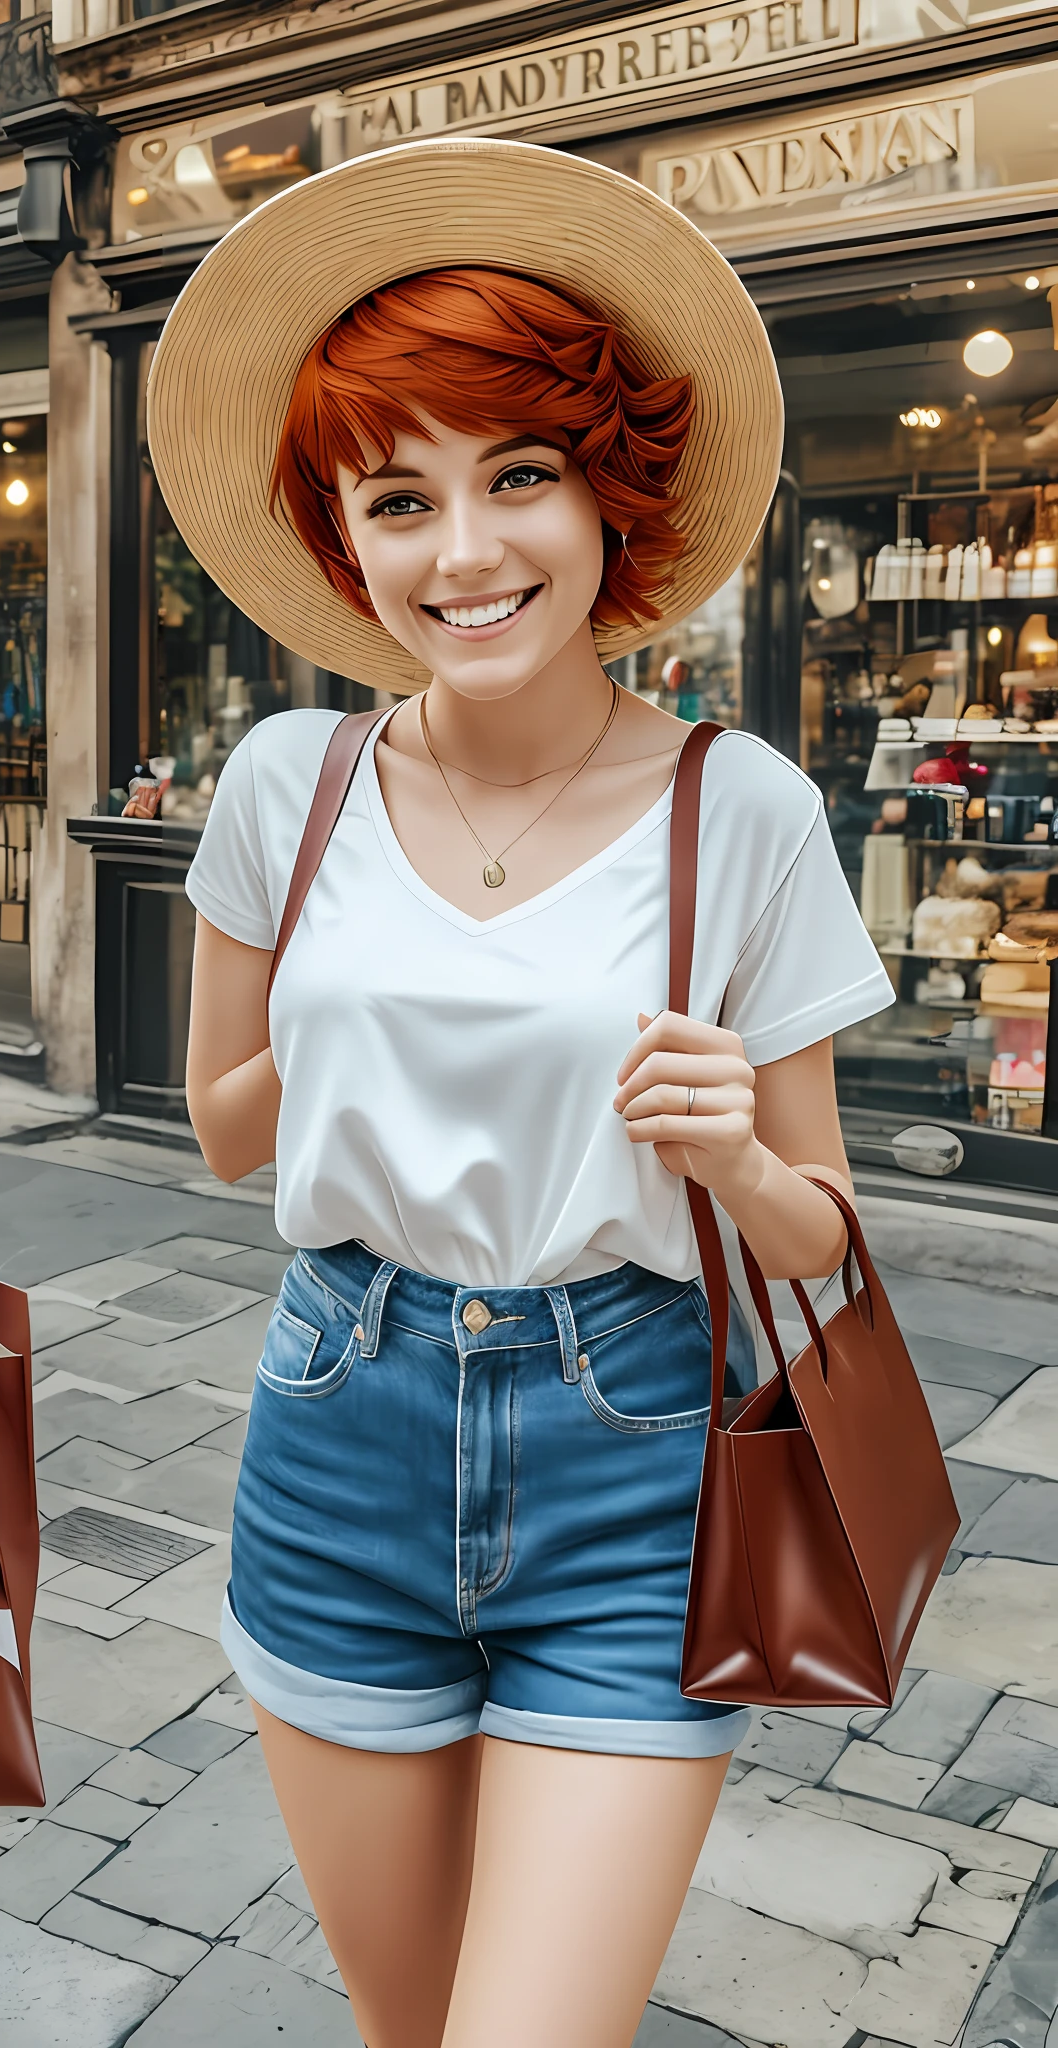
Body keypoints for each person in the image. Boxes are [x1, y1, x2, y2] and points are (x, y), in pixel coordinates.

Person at [157, 139, 895, 2048]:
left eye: (519, 477)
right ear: (347, 538)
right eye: (398, 499)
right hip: (337, 1424)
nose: (463, 552)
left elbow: (821, 1233)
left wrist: (732, 1146)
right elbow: (221, 1130)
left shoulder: (739, 811)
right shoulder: (288, 789)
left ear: (607, 499)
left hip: (635, 1444)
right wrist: (347, 1031)